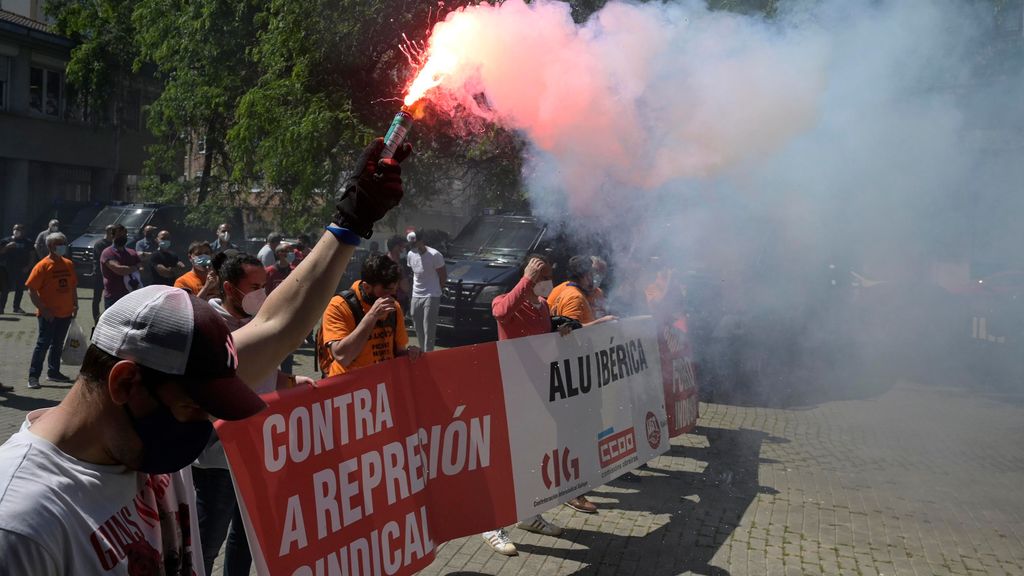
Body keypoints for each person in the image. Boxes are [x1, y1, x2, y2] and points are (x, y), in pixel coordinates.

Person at [0, 136, 410, 573]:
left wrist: (351, 221)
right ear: (124, 382)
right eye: (194, 407)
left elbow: (276, 327)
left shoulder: (140, 442)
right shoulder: (21, 529)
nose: (206, 426)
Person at [192, 251, 314, 576]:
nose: (263, 292)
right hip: (218, 458)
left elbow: (263, 374)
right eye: (255, 286)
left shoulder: (258, 324)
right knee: (206, 544)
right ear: (230, 289)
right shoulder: (206, 326)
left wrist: (291, 381)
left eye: (265, 285)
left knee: (248, 537)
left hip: (258, 450)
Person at [481, 254, 566, 555]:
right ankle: (492, 524)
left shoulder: (542, 306)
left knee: (533, 454)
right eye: (544, 276)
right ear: (530, 277)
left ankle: (529, 515)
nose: (548, 282)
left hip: (537, 392)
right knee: (505, 459)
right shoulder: (506, 300)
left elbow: (541, 341)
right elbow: (502, 314)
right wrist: (527, 279)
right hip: (509, 391)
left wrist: (560, 332)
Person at [318, 253, 420, 378]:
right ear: (367, 287)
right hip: (347, 389)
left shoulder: (394, 306)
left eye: (395, 289)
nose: (393, 295)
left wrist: (410, 354)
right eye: (387, 290)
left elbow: (398, 352)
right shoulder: (339, 306)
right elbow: (342, 357)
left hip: (380, 387)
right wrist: (372, 316)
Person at [25, 232, 78, 389]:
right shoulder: (42, 265)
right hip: (48, 315)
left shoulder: (68, 264)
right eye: (59, 244)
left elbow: (72, 286)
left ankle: (53, 373)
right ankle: (33, 376)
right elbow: (31, 290)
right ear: (50, 246)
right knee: (43, 345)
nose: (62, 246)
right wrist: (44, 309)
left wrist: (75, 304)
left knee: (58, 344)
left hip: (66, 313)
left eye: (63, 243)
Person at [406, 230, 446, 351]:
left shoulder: (435, 255)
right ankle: (423, 351)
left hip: (431, 293)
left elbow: (443, 275)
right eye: (411, 244)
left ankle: (429, 353)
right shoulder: (410, 254)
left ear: (421, 241)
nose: (413, 246)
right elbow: (414, 273)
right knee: (416, 323)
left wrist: (438, 290)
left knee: (428, 325)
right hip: (416, 293)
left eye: (415, 243)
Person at [100, 225, 144, 308]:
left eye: (124, 235)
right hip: (114, 296)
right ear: (113, 236)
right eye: (119, 235)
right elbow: (120, 270)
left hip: (131, 296)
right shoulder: (108, 252)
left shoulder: (132, 252)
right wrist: (135, 268)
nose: (122, 237)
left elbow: (141, 268)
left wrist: (133, 268)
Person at [0, 223, 36, 314]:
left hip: (22, 269)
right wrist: (7, 247)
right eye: (15, 229)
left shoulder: (28, 242)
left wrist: (28, 267)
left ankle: (16, 307)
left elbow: (32, 255)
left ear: (23, 231)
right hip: (7, 269)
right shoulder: (5, 241)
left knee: (20, 289)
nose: (16, 231)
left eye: (19, 230)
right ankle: (1, 308)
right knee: (5, 289)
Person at [91, 225, 115, 321]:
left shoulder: (113, 244)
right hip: (99, 275)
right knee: (97, 298)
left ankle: (107, 319)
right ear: (108, 232)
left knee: (109, 297)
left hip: (111, 275)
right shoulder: (99, 244)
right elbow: (103, 259)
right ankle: (96, 319)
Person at [386, 235, 412, 312]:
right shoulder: (395, 265)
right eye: (403, 247)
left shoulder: (384, 260)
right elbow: (405, 287)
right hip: (395, 302)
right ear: (396, 247)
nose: (404, 249)